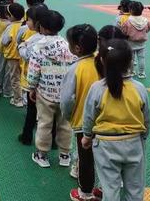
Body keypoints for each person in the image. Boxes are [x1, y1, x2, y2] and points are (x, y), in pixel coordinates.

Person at [82, 38, 150, 201]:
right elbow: (146, 117)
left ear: (103, 60)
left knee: (110, 188)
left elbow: (89, 115)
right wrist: (144, 136)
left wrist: (86, 136)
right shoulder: (139, 88)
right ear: (130, 61)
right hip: (134, 142)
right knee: (135, 189)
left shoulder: (98, 88)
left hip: (105, 144)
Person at [27, 10, 75, 168]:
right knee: (66, 124)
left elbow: (34, 71)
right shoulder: (67, 46)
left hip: (45, 93)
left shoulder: (37, 47)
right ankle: (65, 155)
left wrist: (31, 88)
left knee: (44, 124)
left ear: (41, 26)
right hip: (66, 94)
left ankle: (42, 155)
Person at [60, 25, 101, 201]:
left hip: (84, 121)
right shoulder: (102, 61)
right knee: (103, 158)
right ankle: (104, 188)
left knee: (86, 158)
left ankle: (85, 192)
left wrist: (67, 115)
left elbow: (67, 99)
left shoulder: (75, 68)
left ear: (77, 48)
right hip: (105, 119)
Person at [17, 4, 47, 145]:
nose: (26, 22)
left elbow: (27, 55)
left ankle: (27, 136)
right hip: (49, 82)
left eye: (28, 19)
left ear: (37, 22)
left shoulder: (35, 39)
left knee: (32, 110)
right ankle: (52, 141)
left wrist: (22, 46)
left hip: (35, 80)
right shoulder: (54, 38)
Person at [0, 3, 25, 107]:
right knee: (23, 77)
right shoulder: (25, 26)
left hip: (13, 56)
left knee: (14, 78)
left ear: (11, 16)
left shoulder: (10, 27)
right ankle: (23, 97)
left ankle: (17, 99)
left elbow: (4, 41)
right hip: (23, 56)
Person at [121, 1, 150, 79]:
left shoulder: (128, 21)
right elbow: (148, 29)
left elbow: (124, 31)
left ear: (130, 10)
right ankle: (141, 73)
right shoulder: (145, 20)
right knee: (141, 58)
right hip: (142, 42)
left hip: (131, 42)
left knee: (131, 58)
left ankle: (132, 71)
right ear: (142, 10)